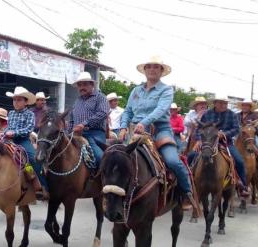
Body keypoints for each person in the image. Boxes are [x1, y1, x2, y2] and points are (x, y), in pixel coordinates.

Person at [119, 56, 198, 210]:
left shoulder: (167, 90)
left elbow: (160, 109)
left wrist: (144, 122)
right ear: (145, 70)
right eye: (149, 67)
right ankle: (115, 195)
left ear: (162, 71)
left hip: (160, 130)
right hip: (135, 130)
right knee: (117, 158)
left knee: (173, 161)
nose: (152, 69)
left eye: (156, 67)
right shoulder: (136, 90)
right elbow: (128, 111)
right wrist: (122, 127)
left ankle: (186, 192)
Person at [188, 97, 250, 197]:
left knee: (239, 161)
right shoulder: (207, 114)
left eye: (225, 103)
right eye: (220, 103)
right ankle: (188, 183)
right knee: (191, 156)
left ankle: (242, 186)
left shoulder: (232, 114)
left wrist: (224, 134)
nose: (223, 105)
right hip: (207, 143)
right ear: (215, 103)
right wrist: (199, 139)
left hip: (226, 143)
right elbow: (199, 129)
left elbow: (236, 129)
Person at [4, 86, 49, 199]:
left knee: (33, 160)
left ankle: (43, 186)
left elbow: (28, 129)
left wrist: (14, 133)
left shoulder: (29, 114)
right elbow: (8, 127)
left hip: (23, 140)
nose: (15, 102)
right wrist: (2, 133)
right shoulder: (11, 113)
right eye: (14, 99)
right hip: (9, 140)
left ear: (26, 102)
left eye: (19, 100)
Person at [68, 72, 109, 166]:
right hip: (75, 134)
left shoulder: (100, 97)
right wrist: (68, 133)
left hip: (94, 133)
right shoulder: (77, 100)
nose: (82, 87)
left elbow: (103, 113)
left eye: (85, 84)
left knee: (100, 157)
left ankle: (103, 179)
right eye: (79, 85)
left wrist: (84, 124)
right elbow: (71, 119)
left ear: (92, 85)